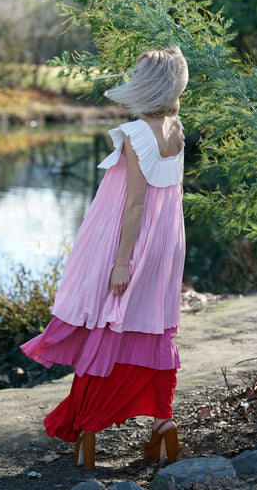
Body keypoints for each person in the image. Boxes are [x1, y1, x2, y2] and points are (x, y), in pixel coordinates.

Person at [21, 46, 189, 469]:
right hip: (166, 242)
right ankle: (163, 422)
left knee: (107, 324)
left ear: (148, 85)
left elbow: (134, 204)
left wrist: (120, 262)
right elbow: (168, 194)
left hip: (129, 241)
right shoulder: (176, 126)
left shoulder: (136, 133)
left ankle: (89, 428)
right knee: (150, 325)